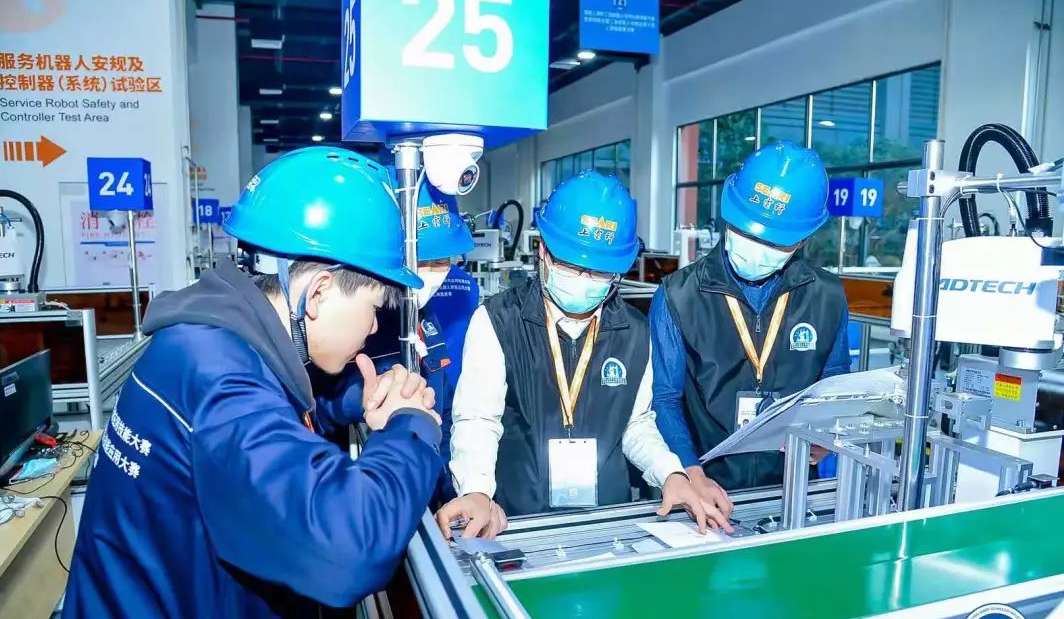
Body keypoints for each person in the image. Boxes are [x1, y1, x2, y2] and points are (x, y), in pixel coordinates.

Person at [53, 147, 445, 619]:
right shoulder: (222, 383)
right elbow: (348, 545)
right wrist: (411, 429)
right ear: (319, 292)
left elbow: (270, 415)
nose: (374, 326)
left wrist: (355, 401)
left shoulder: (204, 339)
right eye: (374, 307)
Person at [436, 171, 733, 539]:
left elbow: (636, 424)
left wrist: (670, 473)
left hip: (608, 520)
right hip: (518, 520)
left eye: (600, 272)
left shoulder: (634, 331)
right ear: (543, 252)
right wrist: (476, 489)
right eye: (573, 266)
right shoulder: (498, 320)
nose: (585, 279)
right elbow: (479, 418)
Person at [650, 140, 851, 499]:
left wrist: (826, 432)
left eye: (775, 243)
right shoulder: (678, 295)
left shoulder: (827, 296)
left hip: (794, 484)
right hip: (706, 482)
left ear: (803, 239)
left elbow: (833, 379)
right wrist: (689, 470)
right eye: (745, 230)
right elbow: (665, 398)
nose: (757, 248)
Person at [315, 178, 479, 501]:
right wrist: (364, 398)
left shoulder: (424, 317)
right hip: (369, 488)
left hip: (424, 481)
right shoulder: (356, 321)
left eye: (440, 262)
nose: (427, 273)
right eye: (420, 261)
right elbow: (319, 406)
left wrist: (452, 493)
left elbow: (441, 411)